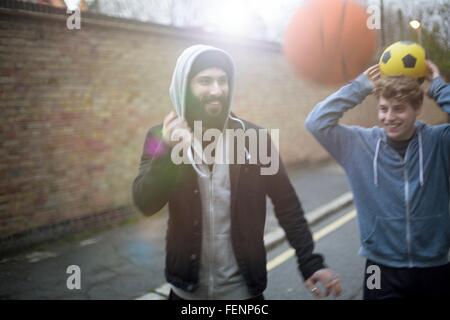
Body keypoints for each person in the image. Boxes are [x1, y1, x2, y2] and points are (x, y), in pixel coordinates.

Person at [132, 44, 341, 300]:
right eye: (205, 81)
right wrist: (167, 150)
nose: (216, 90)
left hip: (243, 294)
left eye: (223, 81)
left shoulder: (254, 138)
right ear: (184, 86)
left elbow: (286, 203)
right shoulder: (158, 137)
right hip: (185, 294)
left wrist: (310, 262)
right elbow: (146, 202)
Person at [305, 60, 450, 299]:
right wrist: (359, 87)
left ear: (417, 109)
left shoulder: (439, 141)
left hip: (435, 265)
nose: (389, 117)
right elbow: (316, 122)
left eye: (399, 109)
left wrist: (439, 88)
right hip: (378, 267)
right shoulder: (359, 145)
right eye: (384, 108)